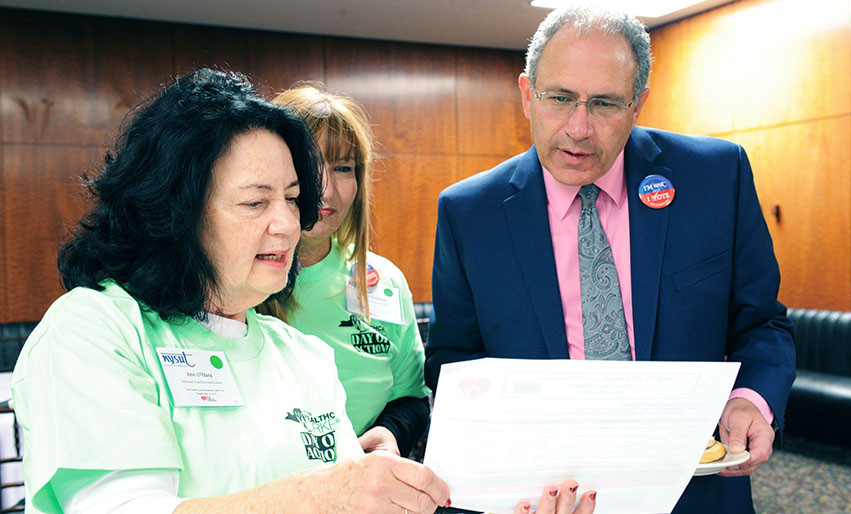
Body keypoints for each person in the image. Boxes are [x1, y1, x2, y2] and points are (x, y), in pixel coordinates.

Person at [10, 68, 454, 514]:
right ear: (176, 212)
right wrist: (321, 497)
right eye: (255, 203)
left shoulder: (302, 355)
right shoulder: (94, 330)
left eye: (292, 198)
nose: (288, 225)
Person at [425, 5, 795, 514]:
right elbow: (454, 360)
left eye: (604, 104)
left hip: (694, 490)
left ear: (638, 103)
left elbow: (763, 323)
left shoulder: (715, 178)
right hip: (544, 498)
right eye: (559, 99)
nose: (579, 128)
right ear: (528, 94)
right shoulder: (470, 212)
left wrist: (750, 399)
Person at [259, 84, 431, 458]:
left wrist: (390, 434)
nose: (326, 190)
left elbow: (412, 398)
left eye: (343, 168)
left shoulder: (383, 282)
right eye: (308, 165)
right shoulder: (232, 283)